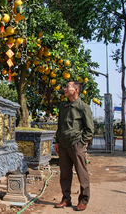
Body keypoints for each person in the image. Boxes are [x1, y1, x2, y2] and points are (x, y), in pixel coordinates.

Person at [54, 81, 94, 211]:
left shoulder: (83, 107)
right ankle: (66, 199)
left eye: (67, 87)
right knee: (65, 174)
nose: (64, 89)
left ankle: (83, 200)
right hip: (64, 145)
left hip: (76, 144)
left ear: (76, 90)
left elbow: (89, 128)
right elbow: (60, 126)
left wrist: (82, 142)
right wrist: (57, 142)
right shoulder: (63, 106)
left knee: (81, 173)